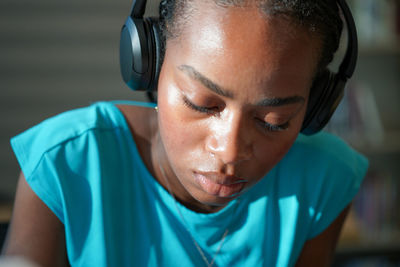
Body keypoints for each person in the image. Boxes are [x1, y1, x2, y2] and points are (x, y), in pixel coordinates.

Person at [2, 0, 368, 266]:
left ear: (317, 106)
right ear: (150, 65)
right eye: (201, 103)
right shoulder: (62, 164)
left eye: (274, 120)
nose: (229, 151)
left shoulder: (324, 179)